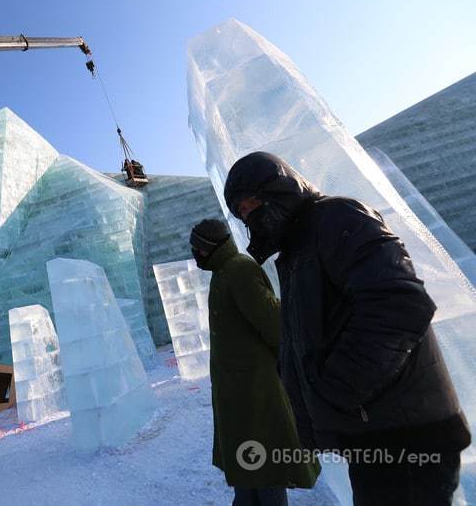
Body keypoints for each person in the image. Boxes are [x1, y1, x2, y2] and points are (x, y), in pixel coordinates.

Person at [223, 152, 471, 506]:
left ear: (280, 189)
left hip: (407, 436)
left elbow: (398, 305)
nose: (251, 215)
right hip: (374, 433)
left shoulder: (338, 217)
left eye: (253, 203)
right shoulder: (297, 249)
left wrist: (336, 389)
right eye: (243, 212)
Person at [190, 219, 319, 506]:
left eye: (196, 248)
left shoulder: (239, 270)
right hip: (239, 390)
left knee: (264, 465)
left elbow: (274, 325)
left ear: (208, 248)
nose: (194, 254)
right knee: (248, 466)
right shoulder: (223, 271)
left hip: (256, 391)